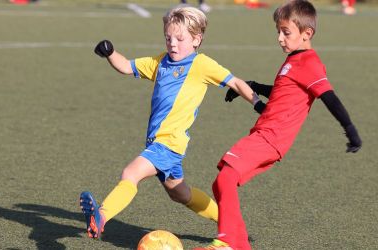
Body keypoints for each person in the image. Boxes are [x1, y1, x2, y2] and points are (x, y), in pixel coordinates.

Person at [79, 6, 265, 239]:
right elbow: (127, 66)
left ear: (196, 40)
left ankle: (101, 216)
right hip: (158, 143)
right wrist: (110, 53)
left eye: (180, 38)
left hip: (169, 143)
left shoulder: (201, 64)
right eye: (168, 38)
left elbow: (236, 83)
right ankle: (230, 221)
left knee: (131, 173)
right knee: (180, 194)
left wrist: (259, 105)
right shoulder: (161, 62)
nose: (173, 44)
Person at [193, 0, 362, 249]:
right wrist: (252, 87)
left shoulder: (310, 63)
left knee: (226, 179)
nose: (280, 38)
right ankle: (239, 244)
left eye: (286, 32)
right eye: (278, 32)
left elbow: (329, 97)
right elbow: (283, 91)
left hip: (271, 138)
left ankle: (227, 242)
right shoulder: (294, 60)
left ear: (307, 34)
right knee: (221, 183)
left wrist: (350, 130)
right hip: (264, 133)